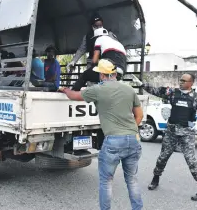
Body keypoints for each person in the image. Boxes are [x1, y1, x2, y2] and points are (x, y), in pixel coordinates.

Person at [60, 59, 144, 210]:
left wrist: (65, 90)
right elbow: (139, 116)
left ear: (102, 75)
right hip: (133, 140)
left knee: (106, 181)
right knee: (132, 180)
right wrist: (129, 131)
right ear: (113, 73)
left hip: (113, 141)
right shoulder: (129, 89)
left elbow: (74, 96)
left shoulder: (98, 90)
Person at [143, 74, 197, 201]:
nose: (180, 82)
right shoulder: (173, 93)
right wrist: (143, 84)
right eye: (180, 80)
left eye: (184, 81)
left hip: (187, 133)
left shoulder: (196, 98)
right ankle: (155, 179)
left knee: (191, 161)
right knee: (162, 157)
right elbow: (156, 91)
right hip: (171, 132)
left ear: (191, 83)